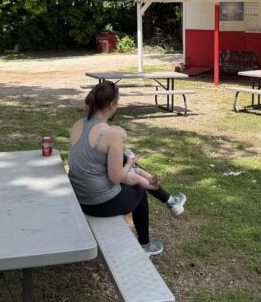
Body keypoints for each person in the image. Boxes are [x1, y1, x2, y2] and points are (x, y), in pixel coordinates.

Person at [68, 82, 186, 257]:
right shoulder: (110, 134)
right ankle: (145, 245)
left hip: (78, 197)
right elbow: (116, 177)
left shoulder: (78, 124)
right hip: (97, 204)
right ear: (111, 105)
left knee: (130, 167)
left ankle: (171, 201)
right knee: (139, 190)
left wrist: (129, 166)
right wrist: (130, 163)